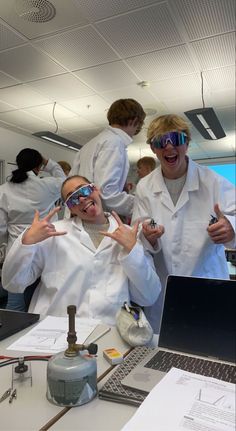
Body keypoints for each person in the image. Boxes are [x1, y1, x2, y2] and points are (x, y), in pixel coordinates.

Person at [2, 175, 161, 325]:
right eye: (72, 199)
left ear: (96, 189)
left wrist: (132, 251)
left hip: (109, 332)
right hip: (54, 330)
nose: (82, 199)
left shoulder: (128, 234)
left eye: (84, 190)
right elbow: (13, 283)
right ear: (70, 208)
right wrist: (27, 242)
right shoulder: (53, 233)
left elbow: (149, 296)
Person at [132, 114, 236, 333]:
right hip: (163, 289)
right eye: (161, 141)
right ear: (153, 148)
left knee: (209, 350)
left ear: (187, 143)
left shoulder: (213, 181)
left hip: (207, 285)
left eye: (176, 139)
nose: (169, 147)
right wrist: (147, 237)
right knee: (164, 355)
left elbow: (234, 220)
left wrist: (231, 228)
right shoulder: (144, 187)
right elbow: (138, 236)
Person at [0, 148, 66, 311]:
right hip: (45, 248)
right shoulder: (48, 186)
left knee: (15, 301)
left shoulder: (4, 189)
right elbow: (64, 180)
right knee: (43, 297)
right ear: (38, 167)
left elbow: (1, 227)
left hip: (17, 248)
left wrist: (3, 250)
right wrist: (48, 162)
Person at [69, 99, 146, 217]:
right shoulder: (114, 142)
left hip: (82, 215)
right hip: (98, 217)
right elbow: (107, 194)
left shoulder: (89, 144)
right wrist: (144, 205)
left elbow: (71, 183)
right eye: (139, 125)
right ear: (135, 120)